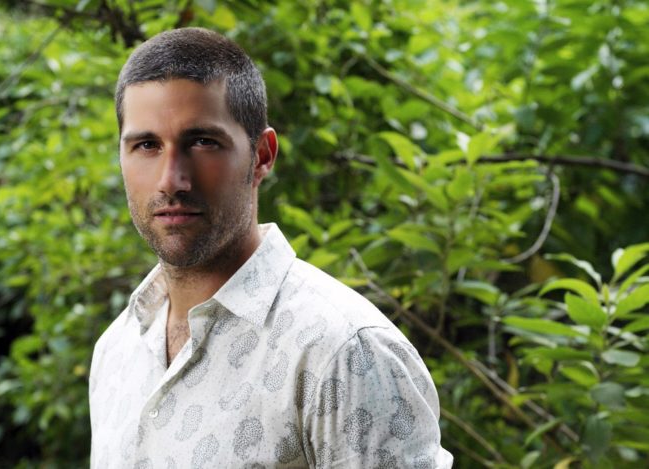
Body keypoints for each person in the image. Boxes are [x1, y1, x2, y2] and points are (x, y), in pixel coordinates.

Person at [89, 27, 453, 468]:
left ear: (262, 155)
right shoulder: (117, 350)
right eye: (147, 145)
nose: (171, 180)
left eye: (202, 142)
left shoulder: (345, 352)